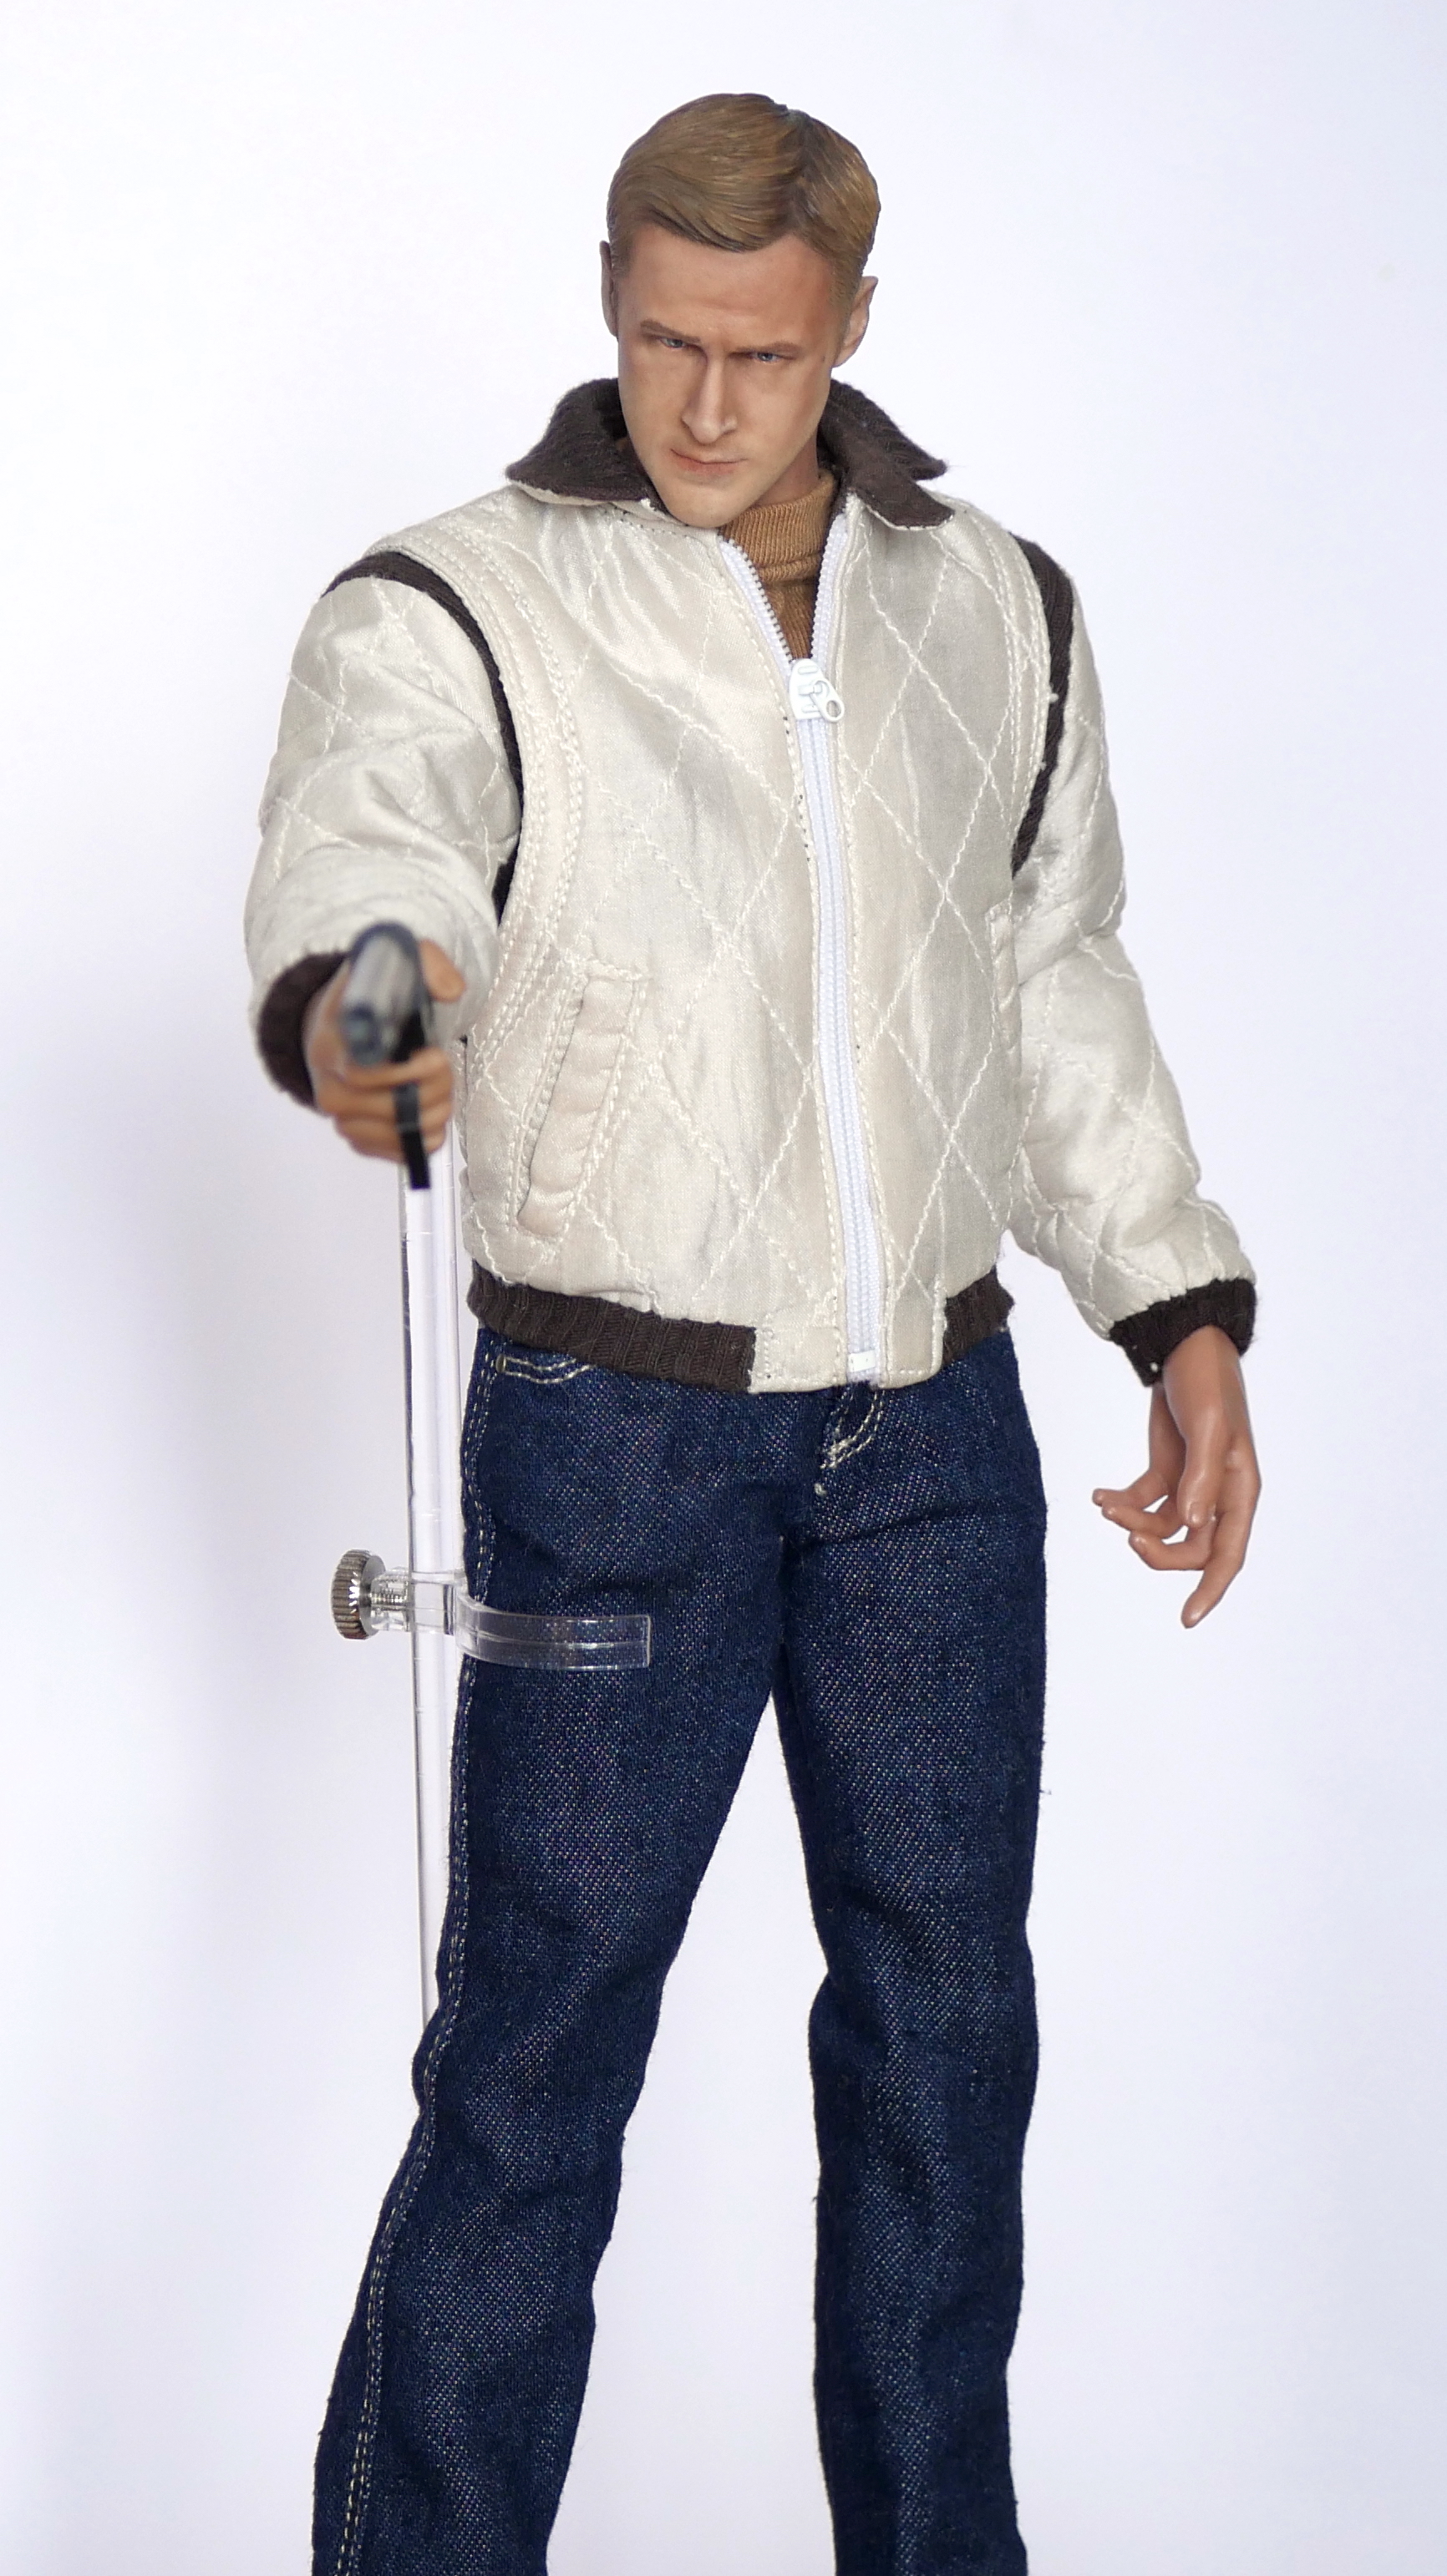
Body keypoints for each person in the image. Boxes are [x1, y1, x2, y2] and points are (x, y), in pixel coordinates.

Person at [246, 91, 1260, 2576]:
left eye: (766, 356)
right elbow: (375, 841)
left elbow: (1049, 975)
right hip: (615, 1419)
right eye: (664, 341)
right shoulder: (460, 599)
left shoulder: (992, 606)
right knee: (535, 2067)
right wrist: (375, 1009)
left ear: (854, 330)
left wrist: (1172, 1305)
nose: (707, 407)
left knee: (946, 2051)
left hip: (933, 1435)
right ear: (611, 301)